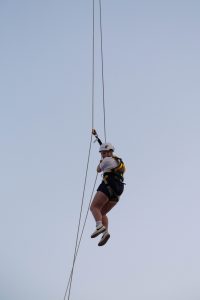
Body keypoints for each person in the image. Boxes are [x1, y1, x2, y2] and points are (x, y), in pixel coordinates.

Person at [90, 129, 125, 246]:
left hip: (108, 185)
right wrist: (98, 138)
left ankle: (99, 226)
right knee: (102, 212)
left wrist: (101, 160)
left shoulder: (106, 160)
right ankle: (105, 233)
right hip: (118, 191)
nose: (103, 155)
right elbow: (107, 157)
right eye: (102, 153)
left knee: (94, 207)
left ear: (110, 152)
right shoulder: (116, 161)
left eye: (105, 153)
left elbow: (98, 169)